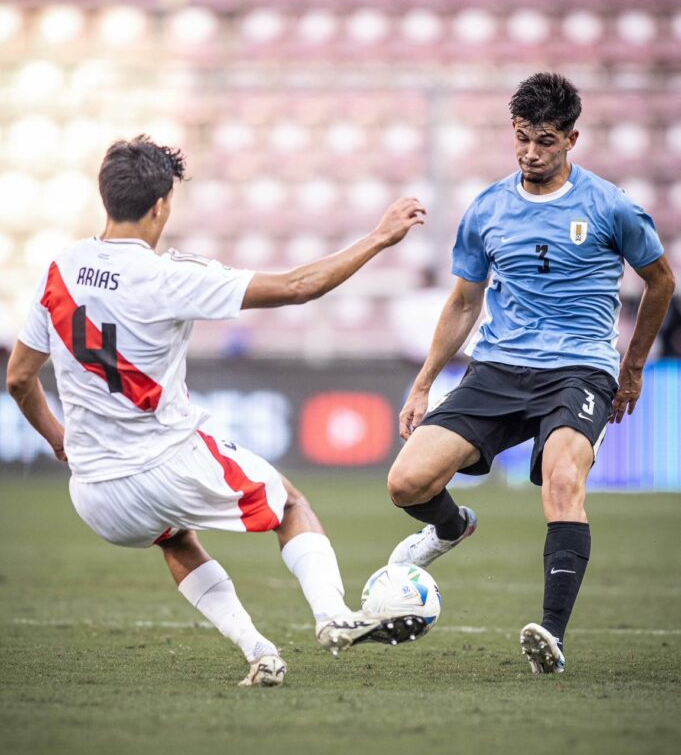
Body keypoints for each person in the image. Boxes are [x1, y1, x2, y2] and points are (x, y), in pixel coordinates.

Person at [7, 135, 427, 687]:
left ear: (105, 198)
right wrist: (378, 237)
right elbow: (300, 287)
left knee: (175, 537)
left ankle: (259, 651)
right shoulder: (168, 275)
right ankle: (332, 616)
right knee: (291, 505)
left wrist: (59, 438)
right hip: (166, 463)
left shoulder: (59, 269)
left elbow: (18, 378)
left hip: (95, 496)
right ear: (161, 206)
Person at [386, 73, 675, 674]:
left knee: (562, 477)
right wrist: (422, 384)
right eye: (521, 138)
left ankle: (551, 634)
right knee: (406, 483)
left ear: (572, 138)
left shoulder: (610, 206)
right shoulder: (488, 208)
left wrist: (633, 367)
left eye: (544, 141)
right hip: (497, 370)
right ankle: (452, 526)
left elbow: (661, 281)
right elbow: (465, 301)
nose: (530, 153)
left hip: (579, 370)